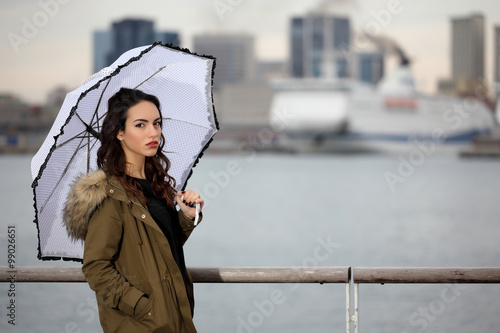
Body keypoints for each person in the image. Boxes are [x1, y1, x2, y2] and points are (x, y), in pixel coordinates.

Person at [64, 87, 203, 333]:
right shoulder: (109, 194)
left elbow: (160, 248)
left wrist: (186, 217)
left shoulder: (157, 186)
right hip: (142, 325)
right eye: (141, 125)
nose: (153, 132)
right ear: (120, 132)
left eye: (157, 123)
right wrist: (141, 306)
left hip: (176, 317)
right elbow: (96, 266)